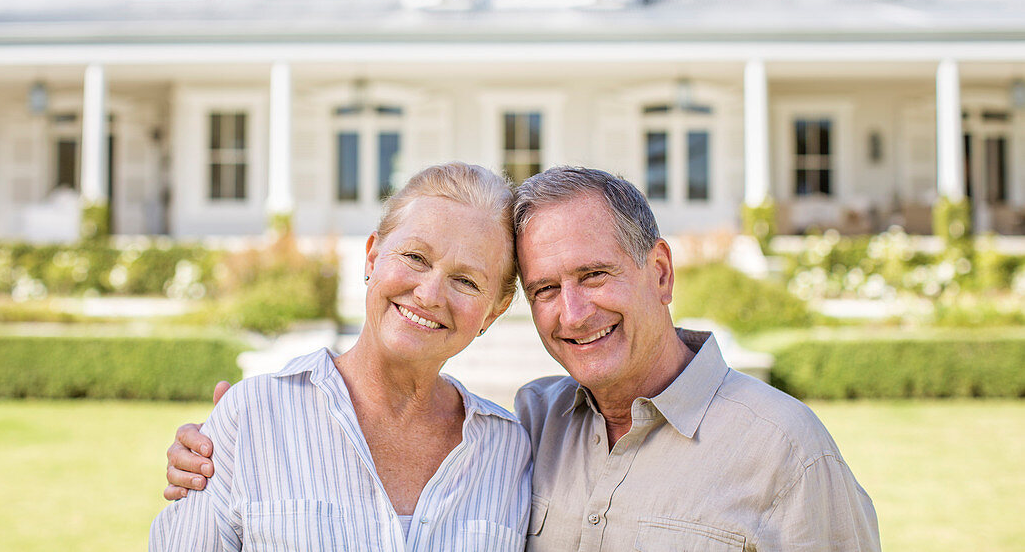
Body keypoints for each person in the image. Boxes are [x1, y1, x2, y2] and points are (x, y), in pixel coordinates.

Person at [168, 166, 880, 550]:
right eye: (547, 287)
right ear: (372, 258)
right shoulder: (534, 427)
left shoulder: (787, 451)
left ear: (659, 272)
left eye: (595, 274)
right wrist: (219, 443)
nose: (573, 312)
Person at [151, 162, 531, 551]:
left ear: (494, 310)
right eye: (415, 258)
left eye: (466, 281)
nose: (429, 294)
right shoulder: (250, 417)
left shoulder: (510, 451)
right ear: (372, 259)